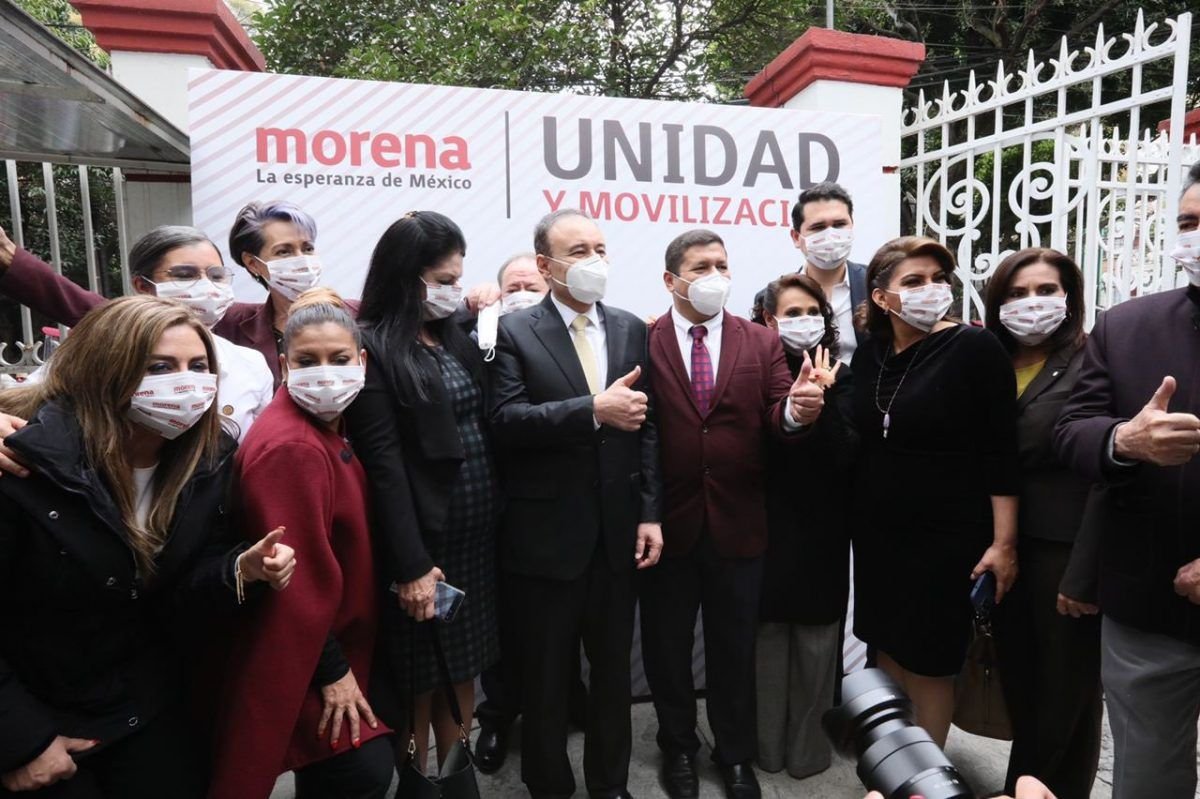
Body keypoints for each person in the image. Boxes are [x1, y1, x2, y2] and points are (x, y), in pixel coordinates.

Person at [0, 296, 294, 797]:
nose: (186, 383)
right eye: (159, 367)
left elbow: (171, 591)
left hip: (145, 710)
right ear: (107, 368)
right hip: (44, 722)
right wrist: (22, 741)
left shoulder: (207, 460)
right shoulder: (25, 463)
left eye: (198, 366)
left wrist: (238, 570)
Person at [641, 230, 825, 799]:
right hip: (666, 525)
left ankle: (735, 754)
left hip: (739, 522)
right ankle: (678, 747)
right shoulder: (642, 339)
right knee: (667, 648)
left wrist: (797, 411)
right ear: (671, 280)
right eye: (701, 267)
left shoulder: (760, 341)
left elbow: (777, 413)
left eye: (722, 265)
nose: (715, 276)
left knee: (734, 648)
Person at [489, 208, 663, 799]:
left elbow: (648, 427)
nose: (595, 261)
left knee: (612, 676)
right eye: (579, 251)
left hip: (617, 535)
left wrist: (650, 512)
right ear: (546, 265)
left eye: (600, 249)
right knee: (545, 679)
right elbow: (505, 421)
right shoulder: (514, 331)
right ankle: (549, 786)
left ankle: (610, 785)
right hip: (545, 539)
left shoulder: (630, 327)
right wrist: (591, 410)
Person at [208, 288, 392, 799]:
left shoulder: (325, 424)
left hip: (335, 640)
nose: (326, 373)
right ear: (285, 366)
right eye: (308, 361)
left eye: (339, 359)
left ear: (362, 362)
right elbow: (295, 583)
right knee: (360, 770)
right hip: (310, 654)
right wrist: (334, 673)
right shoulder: (291, 446)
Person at [1054, 160, 1200, 799]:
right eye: (1188, 222)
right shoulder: (1127, 325)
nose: (1195, 235)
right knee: (1147, 780)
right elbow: (1072, 430)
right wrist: (1123, 440)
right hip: (1148, 607)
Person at [343, 211, 500, 775]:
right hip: (423, 550)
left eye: (459, 277)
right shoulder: (373, 347)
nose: (454, 289)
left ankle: (456, 779)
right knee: (417, 679)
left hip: (474, 545)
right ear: (405, 278)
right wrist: (411, 566)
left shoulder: (454, 334)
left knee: (461, 673)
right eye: (443, 280)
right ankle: (416, 780)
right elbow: (384, 467)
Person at [851, 236, 1019, 748]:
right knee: (885, 653)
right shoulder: (872, 354)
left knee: (927, 663)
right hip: (879, 537)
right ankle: (889, 764)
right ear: (881, 297)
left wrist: (1004, 543)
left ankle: (923, 776)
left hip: (946, 540)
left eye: (938, 279)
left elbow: (1001, 452)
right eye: (914, 281)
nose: (932, 289)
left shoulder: (974, 348)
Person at [982, 248, 1101, 799]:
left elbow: (1109, 469)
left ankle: (1035, 790)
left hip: (1064, 547)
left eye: (1045, 290)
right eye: (1016, 293)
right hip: (1000, 546)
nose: (1031, 304)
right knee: (1023, 683)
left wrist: (1088, 569)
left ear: (1069, 297)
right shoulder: (989, 359)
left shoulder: (1093, 358)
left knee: (1066, 691)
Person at [475, 251, 588, 775]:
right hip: (493, 510)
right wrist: (475, 311)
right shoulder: (484, 338)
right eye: (511, 287)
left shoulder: (572, 337)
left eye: (531, 285)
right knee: (504, 626)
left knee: (559, 628)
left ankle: (570, 700)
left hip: (557, 511)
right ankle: (497, 717)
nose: (521, 294)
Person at [0, 224, 273, 442]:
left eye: (216, 276)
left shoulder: (250, 364)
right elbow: (23, 405)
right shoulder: (100, 351)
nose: (206, 287)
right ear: (142, 286)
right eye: (184, 275)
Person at [224, 201, 498, 387]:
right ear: (252, 263)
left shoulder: (359, 315)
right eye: (284, 251)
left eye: (307, 248)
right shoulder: (234, 323)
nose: (301, 259)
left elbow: (416, 320)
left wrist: (473, 304)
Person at [756, 272, 854, 780]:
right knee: (768, 643)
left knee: (817, 646)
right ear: (769, 320)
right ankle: (765, 749)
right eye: (792, 313)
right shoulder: (751, 368)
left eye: (813, 311)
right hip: (766, 527)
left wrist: (825, 399)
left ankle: (808, 753)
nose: (804, 321)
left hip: (823, 532)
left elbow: (848, 455)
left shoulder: (844, 373)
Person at [789, 182, 869, 362]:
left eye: (839, 224)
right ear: (796, 237)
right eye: (818, 227)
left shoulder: (877, 285)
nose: (831, 235)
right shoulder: (774, 297)